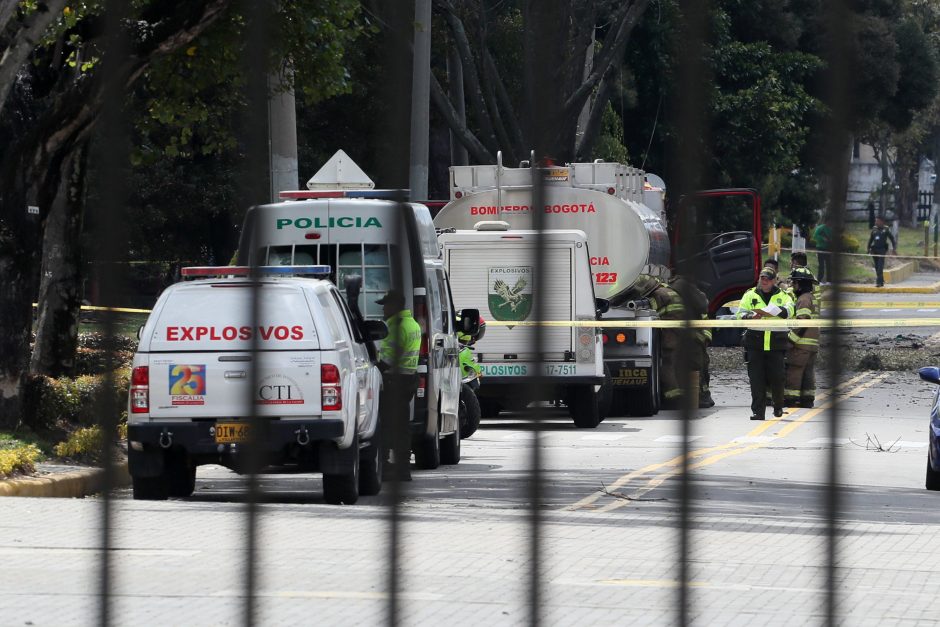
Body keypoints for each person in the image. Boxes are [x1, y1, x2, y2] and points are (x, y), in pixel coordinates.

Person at [735, 267, 795, 420]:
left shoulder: (784, 296)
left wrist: (776, 311)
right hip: (755, 343)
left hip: (776, 344)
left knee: (777, 378)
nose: (764, 281)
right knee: (756, 379)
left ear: (775, 280)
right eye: (762, 278)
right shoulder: (750, 295)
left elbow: (790, 310)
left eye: (768, 279)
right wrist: (750, 316)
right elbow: (740, 314)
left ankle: (778, 407)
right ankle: (758, 412)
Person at [376, 289, 422, 481]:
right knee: (402, 426)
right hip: (407, 380)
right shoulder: (413, 324)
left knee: (386, 425)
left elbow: (388, 358)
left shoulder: (395, 327)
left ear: (394, 306)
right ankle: (403, 467)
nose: (383, 309)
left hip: (393, 381)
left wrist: (373, 366)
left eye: (385, 305)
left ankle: (387, 465)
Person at [626, 275, 686, 409]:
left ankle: (672, 398)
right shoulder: (669, 291)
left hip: (670, 333)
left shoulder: (658, 295)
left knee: (666, 364)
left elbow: (648, 311)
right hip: (680, 331)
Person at [670, 275, 714, 408]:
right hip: (691, 336)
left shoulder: (677, 284)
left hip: (689, 335)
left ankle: (701, 395)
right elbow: (703, 305)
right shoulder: (682, 284)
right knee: (697, 366)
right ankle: (699, 397)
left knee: (700, 364)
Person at [785, 267, 820, 408]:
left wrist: (790, 340)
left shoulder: (803, 299)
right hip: (812, 344)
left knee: (795, 370)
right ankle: (807, 399)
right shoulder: (812, 298)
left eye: (794, 283)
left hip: (801, 344)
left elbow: (802, 321)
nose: (793, 286)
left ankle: (791, 399)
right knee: (808, 372)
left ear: (800, 283)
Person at [867, 215, 897, 288]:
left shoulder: (886, 229)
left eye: (877, 221)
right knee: (877, 267)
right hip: (874, 250)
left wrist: (894, 249)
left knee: (880, 267)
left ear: (882, 222)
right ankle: (882, 280)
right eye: (875, 221)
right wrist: (868, 249)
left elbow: (892, 239)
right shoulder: (874, 229)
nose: (876, 222)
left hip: (882, 250)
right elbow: (870, 240)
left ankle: (879, 283)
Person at [811, 217, 833, 284]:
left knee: (829, 265)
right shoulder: (821, 228)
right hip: (820, 248)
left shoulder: (831, 229)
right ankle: (819, 280)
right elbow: (815, 236)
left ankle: (829, 281)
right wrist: (822, 238)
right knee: (821, 265)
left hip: (828, 248)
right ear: (826, 221)